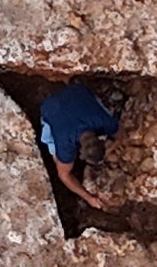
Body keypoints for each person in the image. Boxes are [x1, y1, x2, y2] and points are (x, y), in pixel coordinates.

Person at [33, 78, 122, 211]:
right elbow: (64, 176)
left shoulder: (104, 122)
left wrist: (113, 148)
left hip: (75, 92)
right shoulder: (65, 144)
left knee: (98, 110)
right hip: (50, 107)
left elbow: (120, 134)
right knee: (58, 159)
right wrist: (88, 198)